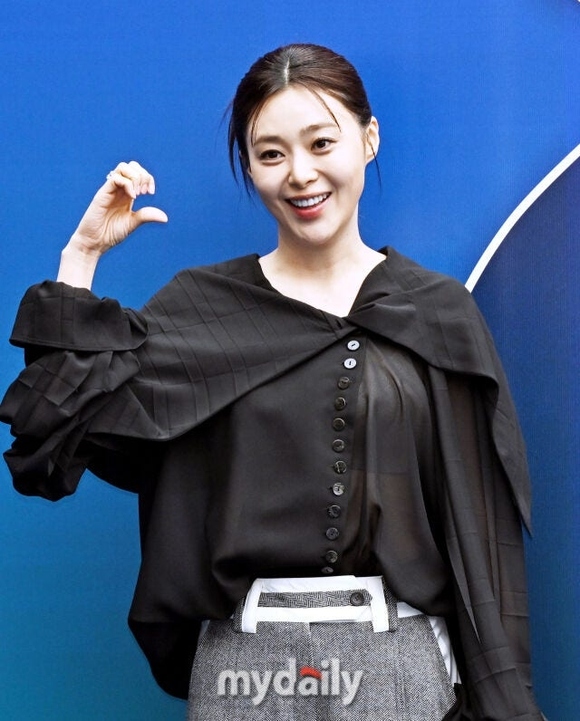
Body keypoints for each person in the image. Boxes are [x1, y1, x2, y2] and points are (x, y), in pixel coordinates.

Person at [0, 44, 544, 720]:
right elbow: (50, 438)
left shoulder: (437, 313)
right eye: (271, 154)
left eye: (321, 143)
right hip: (244, 668)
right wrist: (80, 256)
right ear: (250, 167)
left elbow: (480, 529)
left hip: (398, 665)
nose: (300, 174)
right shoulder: (200, 307)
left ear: (369, 139)